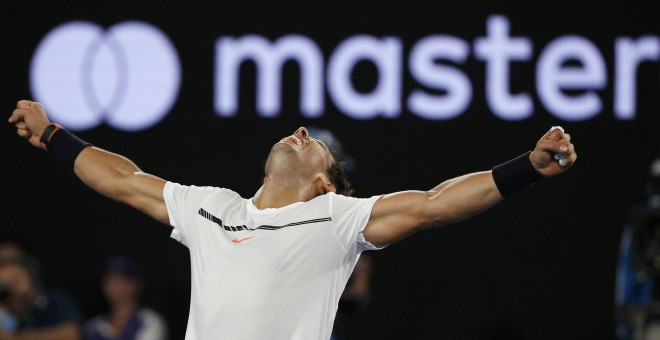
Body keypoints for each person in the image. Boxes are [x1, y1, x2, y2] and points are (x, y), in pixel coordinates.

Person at [8, 100, 577, 340]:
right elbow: (122, 180)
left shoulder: (336, 218)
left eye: (315, 145)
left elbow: (436, 202)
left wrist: (527, 166)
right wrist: (53, 136)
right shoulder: (214, 208)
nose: (301, 132)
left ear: (324, 182)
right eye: (303, 133)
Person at [83, 256, 168, 340]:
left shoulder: (149, 321)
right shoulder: (93, 327)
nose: (115, 284)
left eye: (122, 279)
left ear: (137, 284)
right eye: (110, 278)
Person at [0, 256, 82, 340]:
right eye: (5, 285)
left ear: (30, 279)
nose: (12, 289)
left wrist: (16, 337)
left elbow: (71, 334)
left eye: (15, 281)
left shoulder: (52, 300)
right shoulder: (6, 314)